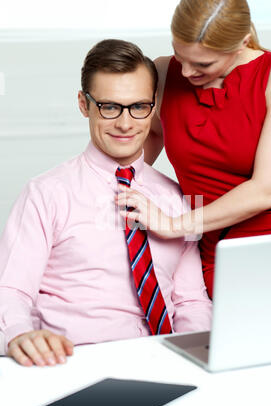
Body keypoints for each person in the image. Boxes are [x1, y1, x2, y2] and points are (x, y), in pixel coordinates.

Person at [0, 39, 212, 367]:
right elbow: (11, 289)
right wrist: (18, 334)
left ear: (154, 105)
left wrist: (194, 361)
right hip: (74, 364)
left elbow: (191, 303)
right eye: (109, 107)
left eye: (138, 106)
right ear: (84, 104)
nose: (125, 124)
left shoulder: (177, 200)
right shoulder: (46, 194)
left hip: (166, 363)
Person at [117, 0, 271, 298]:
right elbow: (147, 139)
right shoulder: (163, 72)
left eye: (203, 63)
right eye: (180, 55)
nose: (186, 72)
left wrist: (175, 225)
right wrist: (101, 190)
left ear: (242, 42)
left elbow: (266, 190)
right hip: (210, 246)